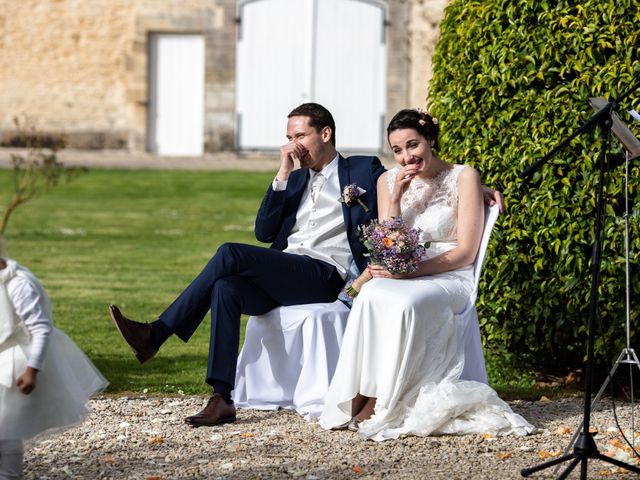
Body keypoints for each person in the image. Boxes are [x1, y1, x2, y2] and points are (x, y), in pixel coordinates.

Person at [109, 103, 504, 428]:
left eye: (299, 136)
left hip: (324, 274)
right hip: (285, 270)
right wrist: (283, 174)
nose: (293, 145)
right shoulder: (294, 180)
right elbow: (264, 233)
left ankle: (156, 334)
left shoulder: (362, 170)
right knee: (225, 287)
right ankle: (222, 397)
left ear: (325, 134)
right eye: (288, 138)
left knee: (229, 253)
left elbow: (418, 175)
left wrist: (473, 187)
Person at [319, 109, 533, 440]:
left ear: (430, 139)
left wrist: (412, 272)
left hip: (449, 273)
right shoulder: (387, 181)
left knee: (406, 304)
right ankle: (364, 391)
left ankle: (388, 398)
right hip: (403, 270)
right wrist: (395, 198)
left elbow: (465, 253)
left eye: (413, 145)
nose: (407, 156)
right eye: (398, 150)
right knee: (370, 295)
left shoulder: (463, 177)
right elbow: (387, 242)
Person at [0, 258, 107, 478]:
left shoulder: (17, 285)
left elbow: (40, 328)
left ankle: (9, 475)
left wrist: (32, 369)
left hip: (15, 365)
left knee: (6, 428)